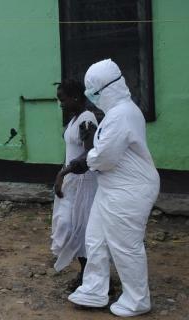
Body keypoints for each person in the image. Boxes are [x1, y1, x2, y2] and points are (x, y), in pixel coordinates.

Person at [68, 59, 160, 317]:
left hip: (130, 189)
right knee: (95, 238)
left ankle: (137, 300)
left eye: (93, 92)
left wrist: (88, 159)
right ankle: (94, 289)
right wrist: (94, 155)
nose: (91, 98)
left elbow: (106, 157)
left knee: (124, 245)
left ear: (105, 89)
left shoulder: (122, 114)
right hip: (112, 186)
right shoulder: (118, 112)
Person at [51, 80, 98, 290]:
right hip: (72, 181)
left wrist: (64, 173)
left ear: (76, 97)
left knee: (81, 228)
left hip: (83, 182)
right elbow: (71, 149)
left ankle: (91, 277)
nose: (60, 103)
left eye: (63, 99)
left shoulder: (87, 119)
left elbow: (89, 153)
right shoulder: (74, 120)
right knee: (69, 225)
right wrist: (62, 174)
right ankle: (86, 273)